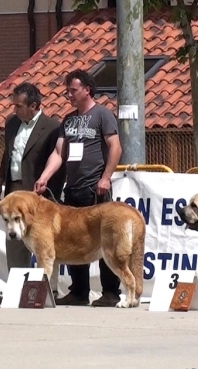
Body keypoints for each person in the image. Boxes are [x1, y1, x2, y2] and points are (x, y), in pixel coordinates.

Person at [34, 69, 123, 307]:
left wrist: (106, 178)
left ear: (87, 90)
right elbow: (58, 153)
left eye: (73, 90)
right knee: (74, 240)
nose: (69, 95)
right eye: (67, 91)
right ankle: (79, 291)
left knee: (104, 240)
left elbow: (115, 148)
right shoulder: (69, 120)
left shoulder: (103, 115)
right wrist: (44, 177)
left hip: (95, 189)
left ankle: (111, 292)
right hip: (72, 189)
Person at [0, 82, 65, 275]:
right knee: (14, 240)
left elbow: (56, 159)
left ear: (33, 106)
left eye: (19, 106)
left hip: (37, 194)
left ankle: (46, 289)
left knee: (42, 243)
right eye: (14, 105)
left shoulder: (52, 127)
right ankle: (17, 286)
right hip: (14, 189)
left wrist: (46, 183)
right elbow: (7, 154)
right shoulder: (11, 123)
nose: (15, 110)